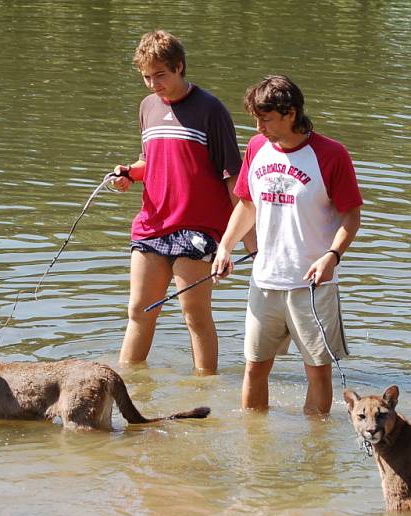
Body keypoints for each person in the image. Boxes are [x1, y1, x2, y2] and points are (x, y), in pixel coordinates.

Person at [212, 74, 362, 415]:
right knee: (254, 367)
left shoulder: (331, 154)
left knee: (317, 372)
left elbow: (351, 217)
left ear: (290, 113)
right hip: (264, 281)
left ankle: (314, 453)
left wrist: (331, 257)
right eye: (257, 119)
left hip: (313, 285)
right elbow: (247, 206)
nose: (259, 126)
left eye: (266, 118)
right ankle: (254, 447)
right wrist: (225, 247)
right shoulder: (256, 147)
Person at [110, 30, 253, 372]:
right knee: (139, 311)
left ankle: (206, 390)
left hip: (197, 228)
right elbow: (152, 161)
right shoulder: (147, 107)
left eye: (160, 75)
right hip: (153, 223)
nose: (153, 84)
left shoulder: (211, 110)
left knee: (195, 316)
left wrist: (241, 241)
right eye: (146, 77)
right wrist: (130, 173)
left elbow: (233, 175)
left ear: (179, 67)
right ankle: (128, 386)